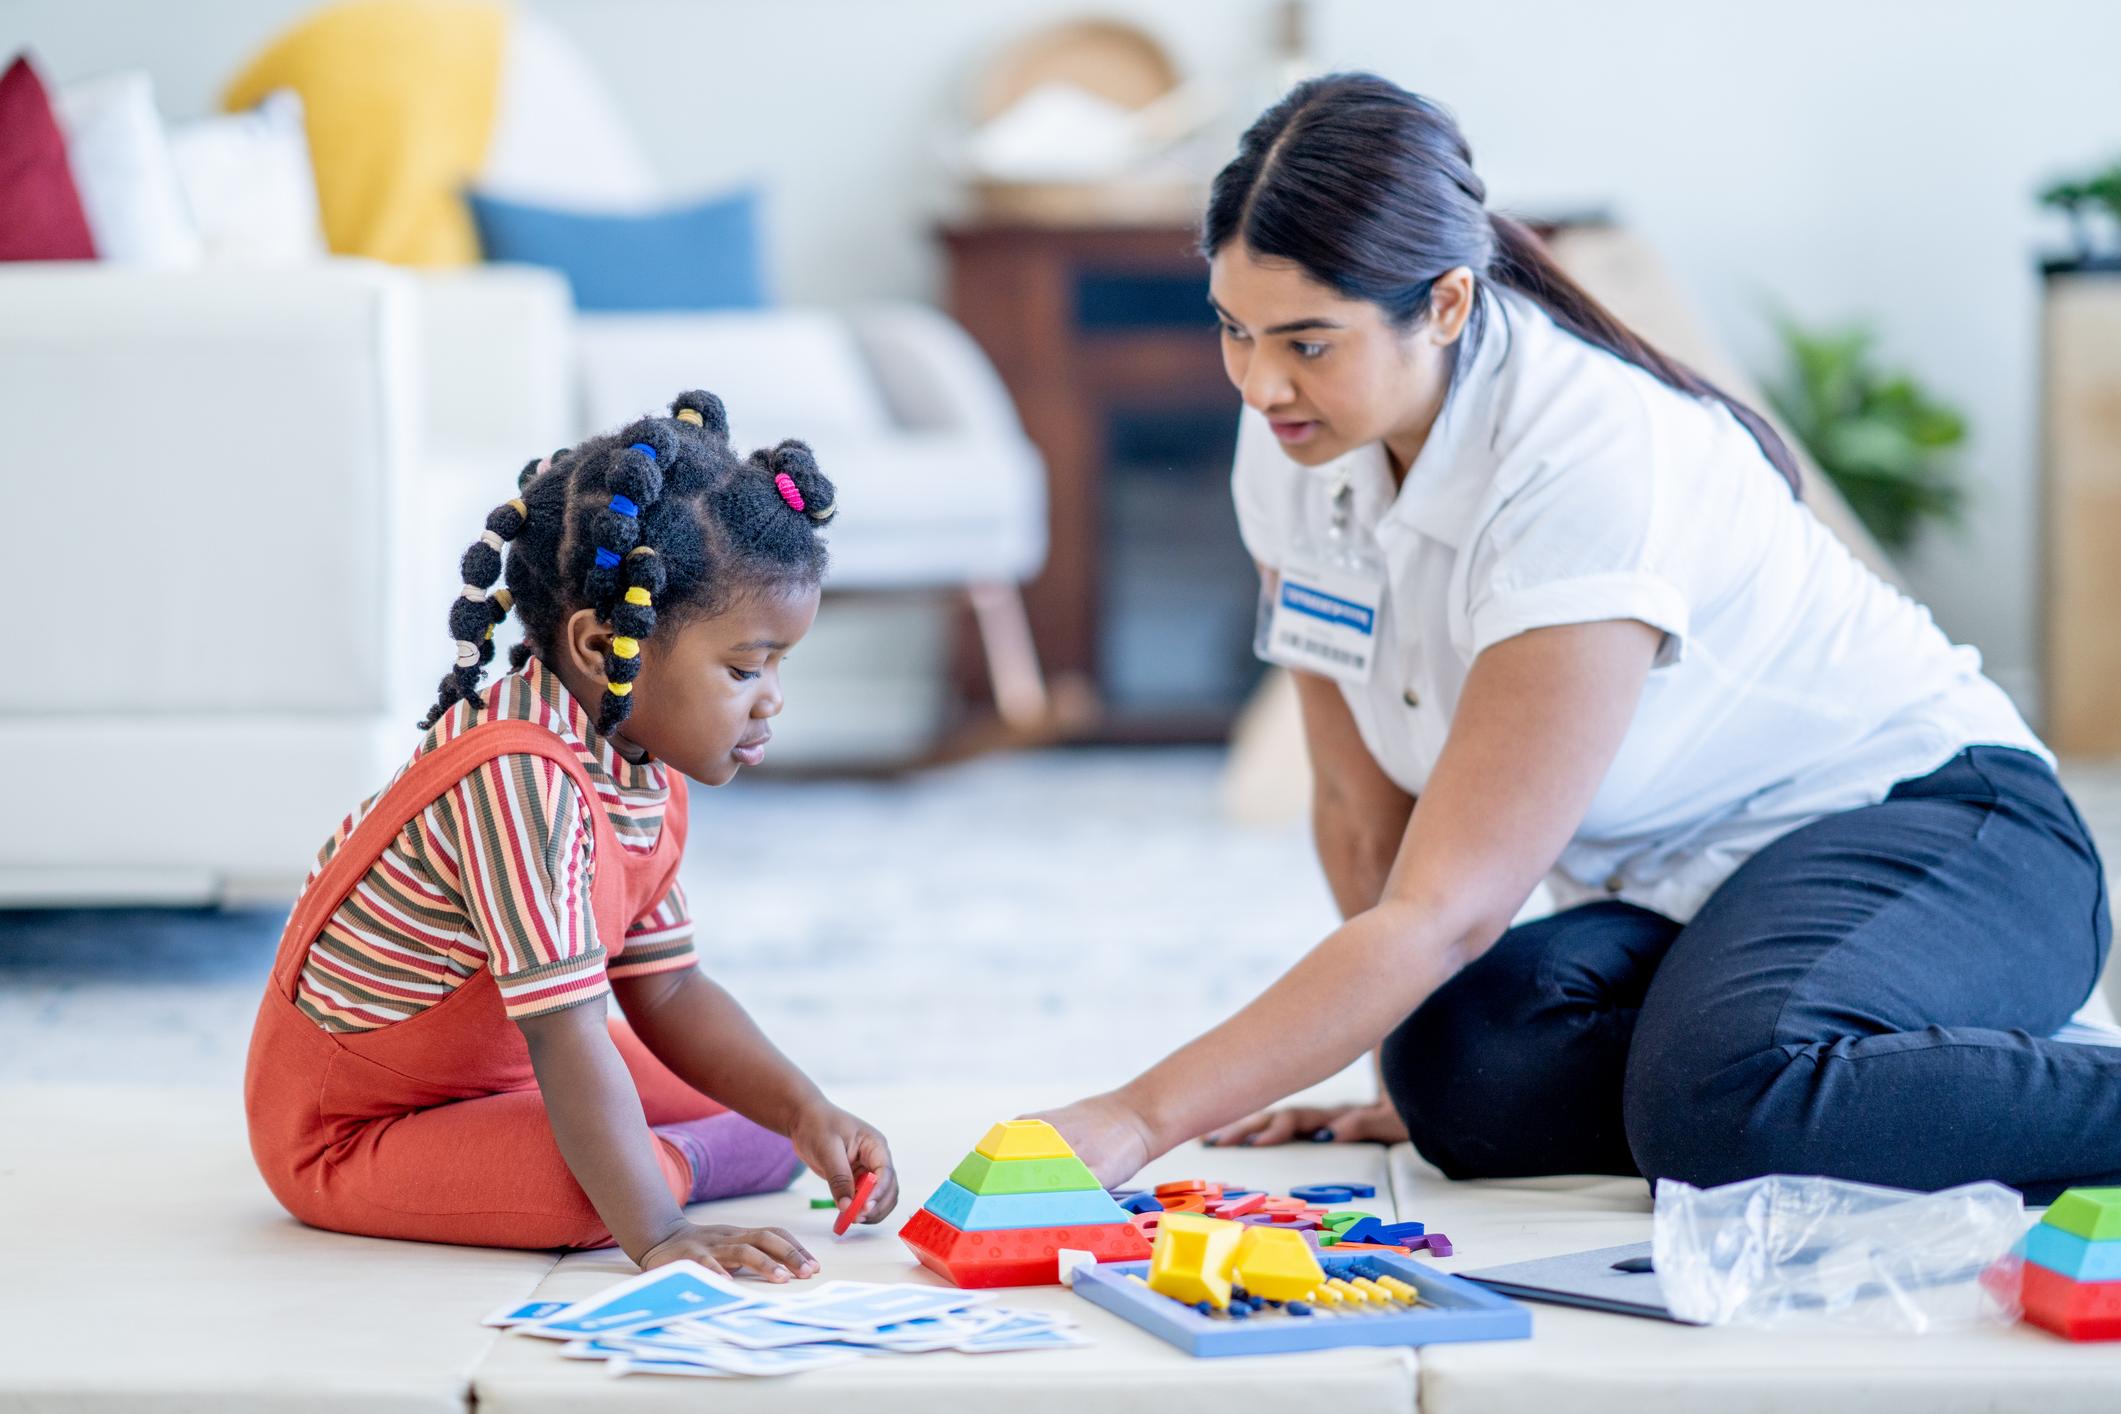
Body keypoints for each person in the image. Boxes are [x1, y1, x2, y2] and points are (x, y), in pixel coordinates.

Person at [1038, 75, 2112, 1203]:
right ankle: (1827, 1074)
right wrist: (1389, 1063)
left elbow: (1446, 909)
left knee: (1719, 1111)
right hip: (1702, 892)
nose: (1260, 383)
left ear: (1446, 304)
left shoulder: (1587, 461)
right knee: (1456, 1066)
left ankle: (1896, 1076)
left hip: (1948, 837)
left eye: (1308, 341)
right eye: (1234, 330)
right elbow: (1364, 814)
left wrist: (1135, 1116)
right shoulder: (1295, 444)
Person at [245, 391, 898, 1273]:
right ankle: (667, 1173)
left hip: (512, 1060)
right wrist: (662, 1234)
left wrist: (803, 1108)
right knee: (592, 1191)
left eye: (779, 664)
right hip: (358, 1126)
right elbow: (567, 1034)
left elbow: (666, 993)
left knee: (769, 1126)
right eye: (744, 666)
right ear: (601, 647)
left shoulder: (637, 755)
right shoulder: (521, 780)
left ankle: (682, 1154)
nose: (772, 696)